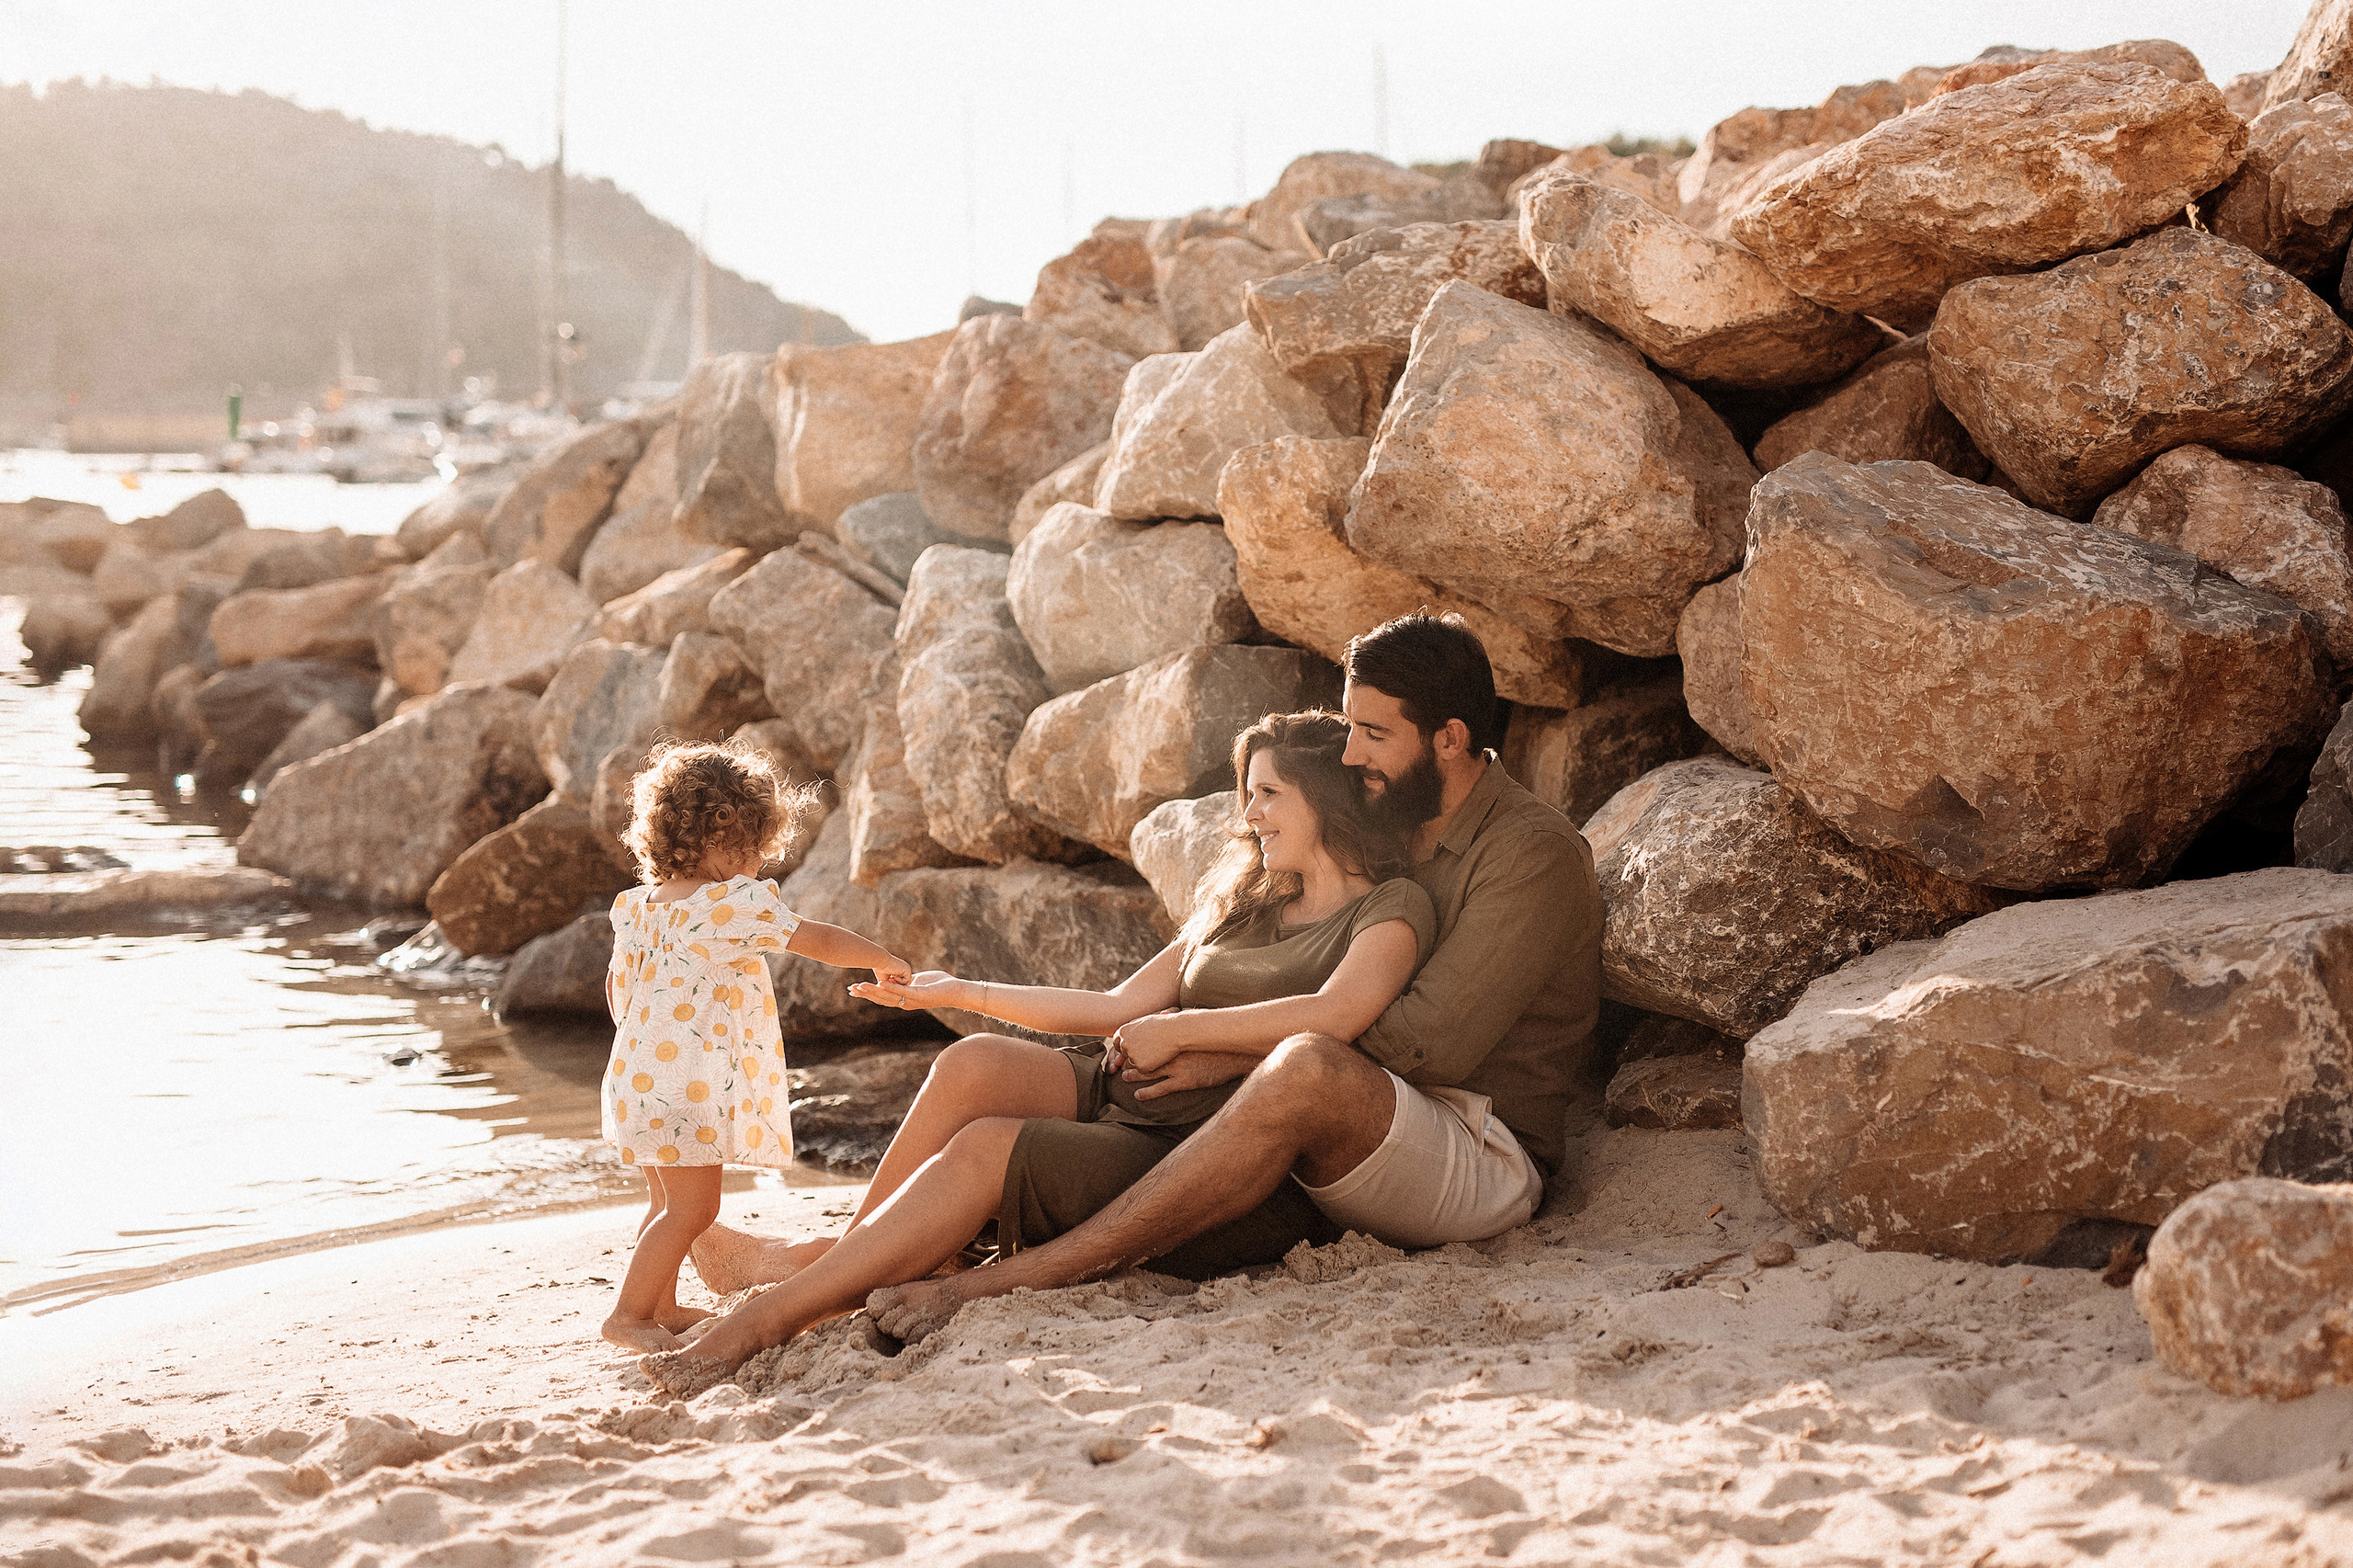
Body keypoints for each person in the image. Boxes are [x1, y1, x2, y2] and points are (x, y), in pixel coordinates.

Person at [855, 612, 1603, 1345]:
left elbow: (1428, 1048)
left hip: (1473, 1141)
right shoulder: (1391, 818)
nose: (1350, 757)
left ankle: (1013, 1276)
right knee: (999, 1073)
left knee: (1302, 1067)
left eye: (1374, 735)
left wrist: (1219, 1052)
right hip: (1347, 1114)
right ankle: (858, 1254)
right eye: (1349, 731)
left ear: (1450, 738)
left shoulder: (1530, 852)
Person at [642, 710, 1436, 1394]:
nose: (1249, 815)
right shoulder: (1250, 899)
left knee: (986, 1148)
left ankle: (775, 1313)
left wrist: (1185, 1034)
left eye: (1269, 795)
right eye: (1247, 793)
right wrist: (955, 992)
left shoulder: (1390, 909)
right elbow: (1116, 1009)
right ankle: (844, 1254)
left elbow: (1342, 1013)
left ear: (1327, 804)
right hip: (1124, 1087)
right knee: (974, 1061)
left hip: (1192, 1146)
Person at [598, 741, 911, 1352]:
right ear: (723, 843)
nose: (757, 869)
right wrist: (881, 959)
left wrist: (642, 1044)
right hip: (685, 1088)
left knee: (667, 1202)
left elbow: (617, 989)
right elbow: (812, 938)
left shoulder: (637, 909)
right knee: (694, 1211)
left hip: (636, 1079)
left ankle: (659, 1306)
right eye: (753, 854)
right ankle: (629, 1316)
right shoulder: (730, 905)